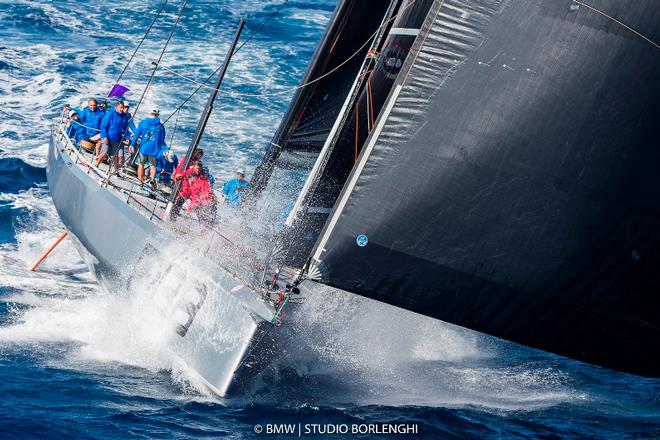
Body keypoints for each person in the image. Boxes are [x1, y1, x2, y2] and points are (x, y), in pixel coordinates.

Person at [130, 108, 165, 186]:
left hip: (144, 148)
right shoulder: (161, 126)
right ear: (157, 115)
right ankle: (152, 179)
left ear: (150, 113)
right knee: (153, 165)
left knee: (141, 164)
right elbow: (162, 139)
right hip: (154, 149)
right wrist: (158, 147)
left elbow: (137, 135)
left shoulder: (143, 123)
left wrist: (132, 144)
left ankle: (140, 180)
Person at [176, 160, 217, 225]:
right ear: (194, 167)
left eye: (199, 169)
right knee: (179, 203)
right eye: (196, 168)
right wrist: (179, 176)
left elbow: (202, 191)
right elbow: (181, 175)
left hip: (203, 198)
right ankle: (172, 218)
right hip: (192, 194)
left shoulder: (202, 178)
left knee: (201, 211)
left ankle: (207, 225)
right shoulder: (190, 172)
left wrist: (190, 209)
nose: (198, 170)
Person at [95, 101, 129, 170]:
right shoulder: (110, 114)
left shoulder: (124, 117)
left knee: (114, 156)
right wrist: (104, 137)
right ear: (116, 107)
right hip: (107, 138)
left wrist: (127, 138)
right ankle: (96, 164)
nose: (122, 109)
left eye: (123, 108)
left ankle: (116, 171)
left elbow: (125, 129)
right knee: (105, 152)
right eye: (121, 107)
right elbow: (103, 126)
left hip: (116, 139)